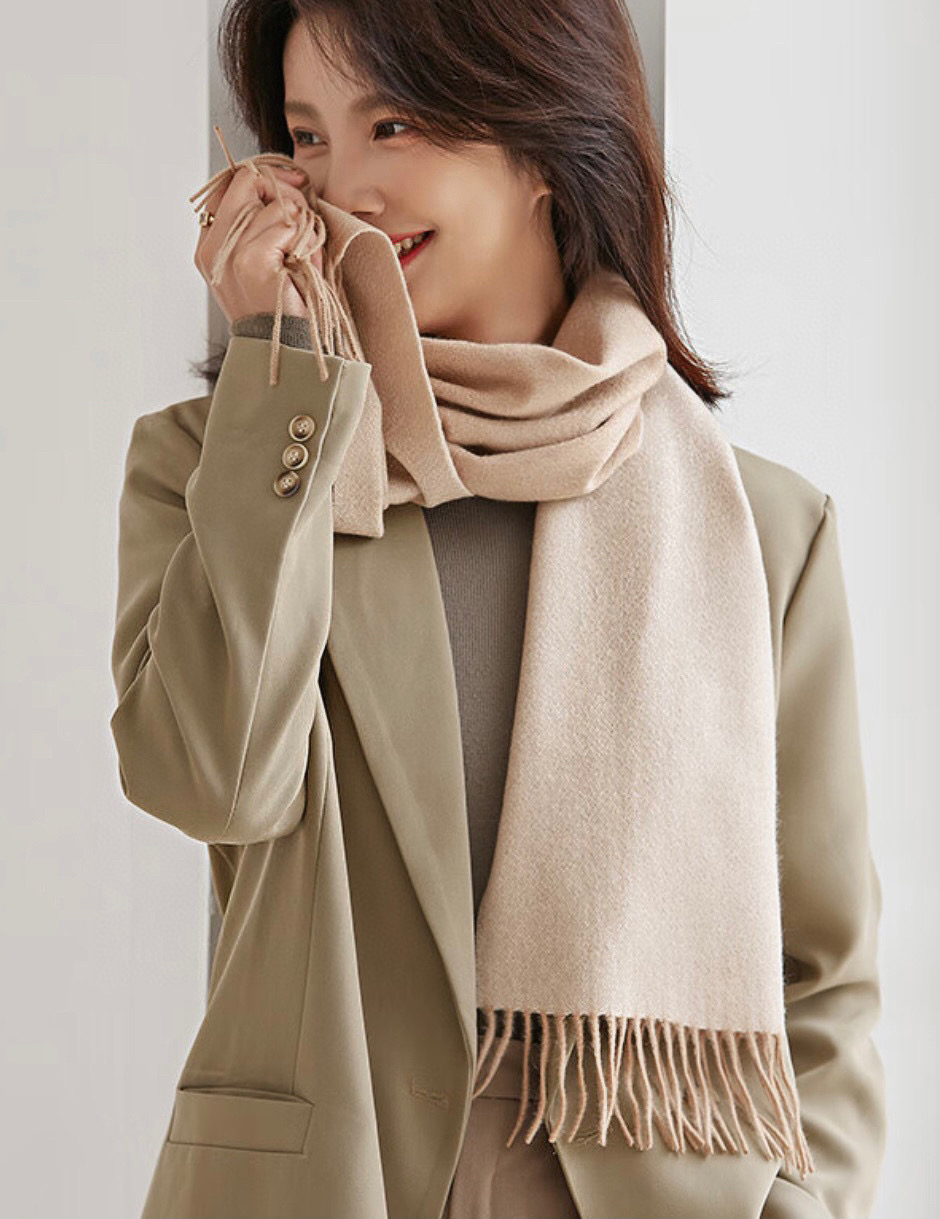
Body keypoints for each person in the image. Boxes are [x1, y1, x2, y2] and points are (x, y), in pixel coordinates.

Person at [108, 2, 885, 1217]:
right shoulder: (232, 467)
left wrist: (802, 1202)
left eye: (393, 124)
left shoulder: (762, 529)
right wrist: (277, 366)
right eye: (307, 138)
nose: (343, 188)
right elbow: (212, 780)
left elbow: (821, 972)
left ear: (543, 145)